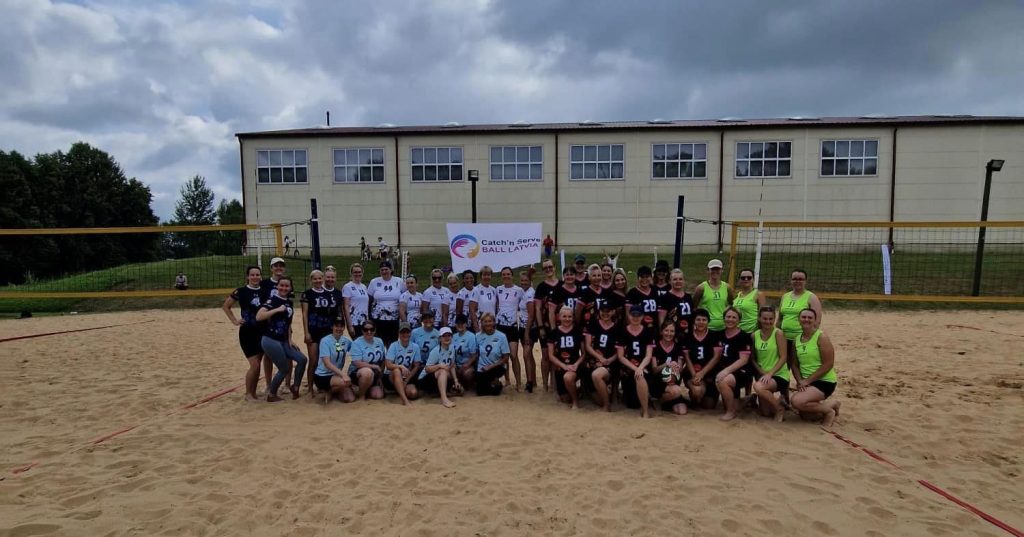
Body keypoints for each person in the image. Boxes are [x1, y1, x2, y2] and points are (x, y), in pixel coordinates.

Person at [255, 277, 307, 402]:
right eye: (281, 285)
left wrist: (290, 339)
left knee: (302, 359)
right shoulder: (272, 300)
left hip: (283, 340)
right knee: (284, 369)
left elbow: (288, 324)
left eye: (287, 286)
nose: (284, 288)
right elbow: (259, 316)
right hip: (270, 339)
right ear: (277, 287)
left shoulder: (289, 302)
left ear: (291, 288)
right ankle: (272, 394)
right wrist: (276, 310)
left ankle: (295, 387)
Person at [791, 308, 841, 428]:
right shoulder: (796, 340)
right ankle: (833, 404)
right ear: (799, 319)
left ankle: (829, 412)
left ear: (815, 320)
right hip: (807, 382)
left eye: (810, 318)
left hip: (824, 381)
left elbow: (829, 364)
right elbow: (794, 364)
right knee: (806, 415)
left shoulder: (821, 337)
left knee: (796, 401)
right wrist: (799, 381)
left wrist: (808, 381)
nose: (806, 320)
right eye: (803, 317)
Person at [222, 265, 265, 401]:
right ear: (247, 277)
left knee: (258, 364)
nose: (255, 277)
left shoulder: (264, 291)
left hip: (261, 331)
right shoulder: (241, 291)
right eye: (252, 275)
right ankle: (248, 394)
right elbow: (226, 306)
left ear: (261, 276)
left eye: (257, 275)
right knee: (254, 365)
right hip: (247, 332)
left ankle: (253, 393)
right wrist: (235, 321)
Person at [751, 306, 790, 422]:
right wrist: (762, 372)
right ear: (759, 318)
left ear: (774, 319)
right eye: (765, 319)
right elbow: (753, 359)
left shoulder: (778, 333)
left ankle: (779, 408)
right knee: (765, 412)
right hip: (764, 374)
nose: (767, 321)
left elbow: (783, 357)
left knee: (758, 386)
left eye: (770, 319)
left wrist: (770, 373)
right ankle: (780, 401)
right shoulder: (754, 335)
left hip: (779, 374)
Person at [715, 307, 753, 421]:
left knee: (722, 380)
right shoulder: (720, 334)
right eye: (728, 317)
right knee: (732, 404)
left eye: (734, 317)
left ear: (739, 320)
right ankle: (748, 399)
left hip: (741, 371)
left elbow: (743, 360)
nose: (730, 319)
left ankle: (730, 412)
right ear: (724, 318)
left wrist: (725, 371)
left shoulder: (744, 336)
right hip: (727, 371)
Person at [778, 269, 823, 366]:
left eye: (800, 279)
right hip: (784, 339)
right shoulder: (785, 296)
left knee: (800, 367)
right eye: (794, 279)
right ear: (791, 280)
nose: (797, 281)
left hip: (800, 339)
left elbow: (816, 322)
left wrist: (807, 340)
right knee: (784, 366)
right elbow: (780, 319)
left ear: (805, 281)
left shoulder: (811, 297)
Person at [617, 305, 655, 418]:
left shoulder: (648, 332)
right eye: (633, 315)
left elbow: (648, 355)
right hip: (628, 368)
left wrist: (640, 368)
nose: (635, 317)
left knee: (640, 376)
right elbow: (620, 356)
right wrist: (635, 368)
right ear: (629, 315)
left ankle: (645, 411)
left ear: (642, 316)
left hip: (644, 366)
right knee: (632, 404)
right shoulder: (622, 331)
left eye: (638, 315)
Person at [301, 270, 335, 395]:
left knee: (326, 359)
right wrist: (306, 332)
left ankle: (322, 385)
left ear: (323, 279)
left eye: (320, 278)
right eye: (315, 279)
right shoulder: (307, 294)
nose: (317, 281)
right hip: (313, 330)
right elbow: (304, 314)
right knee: (313, 360)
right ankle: (310, 387)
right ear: (311, 280)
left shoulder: (328, 294)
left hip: (326, 331)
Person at [682, 308, 723, 409]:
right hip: (692, 371)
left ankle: (709, 393)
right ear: (694, 321)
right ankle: (694, 395)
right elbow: (687, 358)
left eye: (704, 320)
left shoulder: (714, 335)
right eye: (698, 319)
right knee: (697, 392)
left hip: (709, 372)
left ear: (708, 321)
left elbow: (717, 357)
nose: (701, 322)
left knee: (708, 405)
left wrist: (702, 373)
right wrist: (694, 375)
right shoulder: (687, 336)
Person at [584, 301, 620, 412]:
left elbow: (620, 351)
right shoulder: (593, 324)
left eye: (608, 311)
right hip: (594, 360)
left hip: (610, 363)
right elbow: (588, 346)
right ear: (599, 312)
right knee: (596, 399)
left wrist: (609, 360)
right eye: (603, 311)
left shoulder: (617, 328)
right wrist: (600, 358)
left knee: (597, 375)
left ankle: (607, 405)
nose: (605, 313)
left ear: (613, 312)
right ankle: (595, 393)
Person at [547, 306, 585, 409]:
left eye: (569, 316)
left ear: (573, 317)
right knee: (564, 399)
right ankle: (576, 391)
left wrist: (576, 365)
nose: (567, 319)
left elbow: (584, 354)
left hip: (575, 366)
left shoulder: (578, 332)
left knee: (568, 377)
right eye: (564, 316)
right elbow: (551, 355)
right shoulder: (553, 333)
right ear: (559, 317)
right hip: (561, 367)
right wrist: (563, 366)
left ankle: (575, 402)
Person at [313, 318, 356, 404]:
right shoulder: (325, 341)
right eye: (336, 326)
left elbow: (356, 351)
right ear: (332, 327)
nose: (339, 329)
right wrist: (343, 374)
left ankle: (336, 391)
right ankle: (329, 391)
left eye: (341, 326)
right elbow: (327, 363)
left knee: (350, 398)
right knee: (344, 382)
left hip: (336, 375)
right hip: (323, 376)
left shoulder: (346, 341)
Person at [533, 259, 561, 392]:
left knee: (556, 356)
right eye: (545, 268)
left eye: (550, 266)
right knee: (545, 356)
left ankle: (554, 384)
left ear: (554, 267)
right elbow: (537, 309)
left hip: (560, 326)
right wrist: (540, 327)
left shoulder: (562, 285)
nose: (548, 269)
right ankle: (545, 385)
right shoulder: (541, 287)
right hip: (545, 326)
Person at [495, 267, 525, 391]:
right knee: (504, 355)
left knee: (513, 355)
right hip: (500, 326)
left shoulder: (519, 290)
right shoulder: (498, 289)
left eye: (508, 274)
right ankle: (507, 380)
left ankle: (518, 382)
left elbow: (524, 304)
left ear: (512, 275)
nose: (506, 276)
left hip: (512, 327)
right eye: (504, 274)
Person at [649, 321, 688, 415]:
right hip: (659, 383)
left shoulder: (678, 347)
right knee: (677, 391)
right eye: (666, 330)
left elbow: (680, 369)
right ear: (661, 331)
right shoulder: (655, 346)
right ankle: (657, 401)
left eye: (672, 331)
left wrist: (676, 367)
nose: (669, 333)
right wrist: (667, 364)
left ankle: (666, 402)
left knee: (682, 411)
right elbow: (654, 369)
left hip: (673, 382)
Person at [417, 327, 461, 408]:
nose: (447, 338)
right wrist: (439, 365)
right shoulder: (436, 351)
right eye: (444, 336)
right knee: (442, 371)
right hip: (425, 378)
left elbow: (452, 365)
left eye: (449, 335)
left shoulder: (452, 348)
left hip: (439, 376)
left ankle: (440, 392)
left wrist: (456, 381)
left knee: (460, 390)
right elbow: (427, 369)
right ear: (440, 338)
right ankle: (444, 399)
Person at [368, 260, 406, 346]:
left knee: (392, 343)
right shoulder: (374, 282)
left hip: (394, 319)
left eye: (386, 269)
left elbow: (404, 297)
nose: (384, 271)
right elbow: (369, 299)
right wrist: (369, 315)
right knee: (379, 343)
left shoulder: (399, 281)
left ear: (391, 270)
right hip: (378, 319)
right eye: (382, 270)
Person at [349, 320, 387, 400]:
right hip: (359, 372)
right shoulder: (356, 343)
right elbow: (357, 363)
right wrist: (374, 366)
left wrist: (380, 377)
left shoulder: (379, 341)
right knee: (367, 372)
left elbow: (383, 360)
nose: (369, 332)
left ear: (375, 330)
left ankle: (367, 388)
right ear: (362, 331)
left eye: (371, 329)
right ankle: (361, 395)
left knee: (378, 395)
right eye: (365, 330)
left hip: (375, 374)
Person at [692, 258, 734, 331]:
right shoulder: (701, 288)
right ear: (708, 270)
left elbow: (731, 305)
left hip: (723, 327)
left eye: (717, 269)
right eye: (712, 269)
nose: (715, 271)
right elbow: (694, 307)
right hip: (706, 327)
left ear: (722, 270)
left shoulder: (727, 287)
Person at [385, 325, 422, 405]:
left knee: (413, 393)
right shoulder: (394, 345)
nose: (405, 334)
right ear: (399, 333)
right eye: (403, 332)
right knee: (397, 370)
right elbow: (388, 365)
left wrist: (406, 380)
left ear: (410, 333)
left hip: (406, 377)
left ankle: (400, 390)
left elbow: (416, 366)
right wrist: (400, 366)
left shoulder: (415, 347)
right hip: (392, 376)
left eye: (407, 332)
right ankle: (404, 400)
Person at [475, 313, 510, 396]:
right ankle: (492, 382)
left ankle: (496, 382)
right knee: (480, 392)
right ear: (482, 323)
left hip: (497, 366)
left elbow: (506, 357)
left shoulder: (501, 336)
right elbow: (476, 354)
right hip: (482, 367)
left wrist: (491, 366)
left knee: (495, 392)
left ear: (494, 322)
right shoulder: (478, 336)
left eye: (490, 321)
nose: (488, 324)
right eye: (485, 321)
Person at [517, 270, 539, 393]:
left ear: (530, 282)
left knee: (526, 355)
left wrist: (526, 333)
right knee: (529, 355)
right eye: (522, 281)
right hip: (523, 327)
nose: (523, 283)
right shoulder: (524, 292)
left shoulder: (530, 294)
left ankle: (529, 382)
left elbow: (531, 315)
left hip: (529, 329)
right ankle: (533, 381)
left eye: (526, 281)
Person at [658, 268, 694, 339]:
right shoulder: (665, 297)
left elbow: (692, 315)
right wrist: (661, 332)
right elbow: (661, 318)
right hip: (672, 334)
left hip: (688, 332)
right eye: (675, 279)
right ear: (670, 281)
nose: (678, 281)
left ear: (683, 281)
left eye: (680, 279)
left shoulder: (688, 297)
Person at [732, 268, 766, 334]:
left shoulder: (758, 294)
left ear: (753, 279)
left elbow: (763, 315)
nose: (746, 279)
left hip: (751, 332)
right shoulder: (736, 295)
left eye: (749, 277)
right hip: (736, 331)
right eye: (743, 278)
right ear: (739, 280)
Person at [626, 265, 659, 331]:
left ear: (651, 277)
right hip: (639, 328)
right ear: (638, 278)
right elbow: (628, 313)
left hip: (654, 328)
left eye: (647, 277)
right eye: (642, 277)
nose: (644, 279)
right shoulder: (632, 292)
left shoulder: (655, 290)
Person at [451, 314, 479, 388]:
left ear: (466, 324)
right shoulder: (453, 336)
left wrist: (466, 364)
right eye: (458, 323)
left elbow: (475, 355)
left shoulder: (471, 336)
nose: (460, 325)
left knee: (467, 374)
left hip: (468, 365)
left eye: (462, 323)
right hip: (456, 365)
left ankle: (468, 385)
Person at [342, 263, 369, 338]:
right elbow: (346, 307)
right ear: (351, 273)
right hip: (354, 322)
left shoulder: (364, 286)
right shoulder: (347, 287)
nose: (357, 274)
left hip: (364, 322)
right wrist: (350, 325)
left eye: (359, 272)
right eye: (355, 272)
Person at [469, 266, 497, 332]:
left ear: (491, 276)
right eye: (484, 275)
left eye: (488, 275)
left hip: (492, 323)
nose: (486, 277)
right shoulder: (476, 289)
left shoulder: (493, 290)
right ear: (481, 276)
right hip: (481, 323)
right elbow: (472, 309)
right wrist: (475, 325)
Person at [576, 264, 605, 329]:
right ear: (589, 277)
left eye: (599, 275)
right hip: (588, 328)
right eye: (594, 276)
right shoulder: (584, 292)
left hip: (602, 328)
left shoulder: (605, 292)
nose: (597, 278)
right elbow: (578, 312)